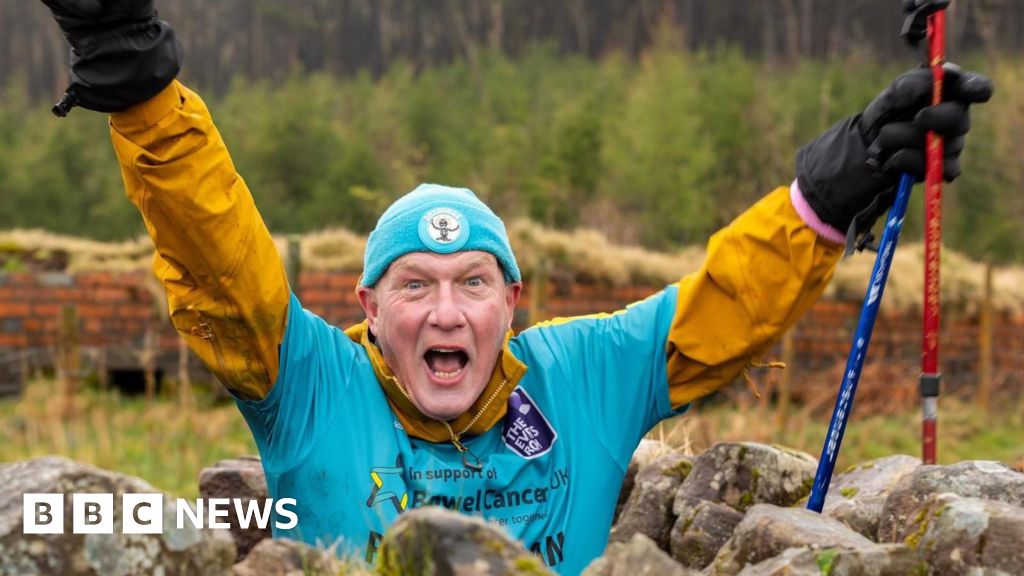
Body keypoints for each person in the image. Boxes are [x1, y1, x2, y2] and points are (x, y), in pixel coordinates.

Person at [38, 0, 992, 573]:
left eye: (473, 283)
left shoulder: (580, 375)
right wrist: (142, 90)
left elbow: (720, 311)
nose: (446, 311)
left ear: (512, 300)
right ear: (367, 308)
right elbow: (220, 261)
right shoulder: (310, 383)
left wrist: (828, 194)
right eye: (413, 286)